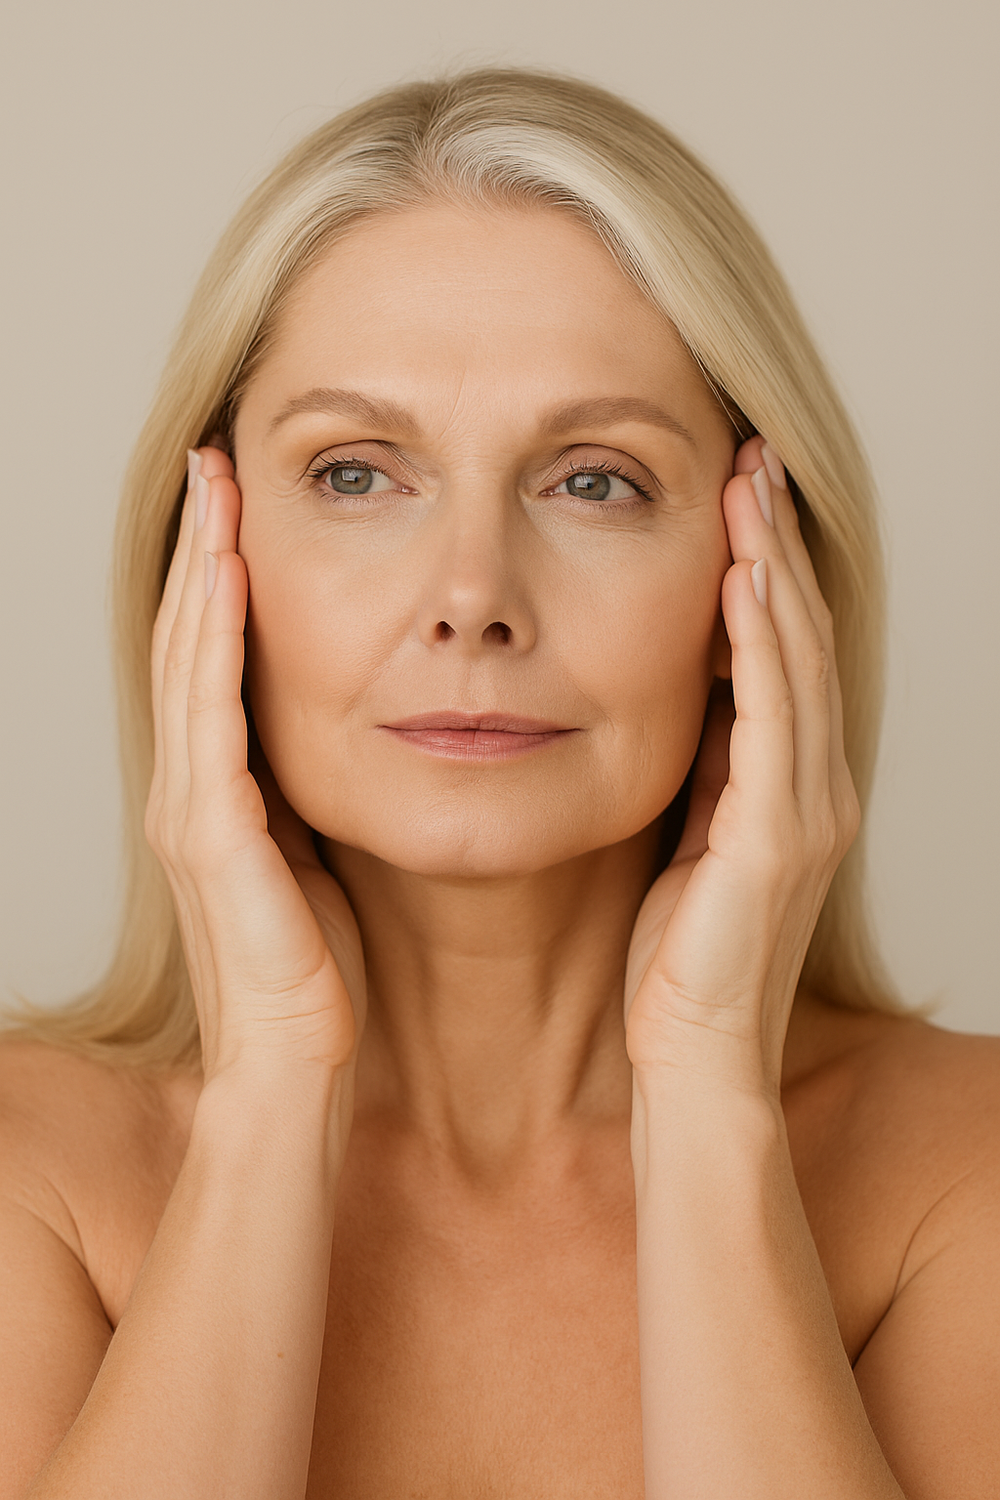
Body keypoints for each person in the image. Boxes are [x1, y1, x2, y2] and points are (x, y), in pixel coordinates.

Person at [1, 67, 997, 1500]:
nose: (473, 596)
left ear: (757, 586)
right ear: (207, 568)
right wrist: (274, 1081)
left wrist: (710, 1093)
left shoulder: (968, 1175)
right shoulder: (28, 1176)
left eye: (593, 481)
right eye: (355, 473)